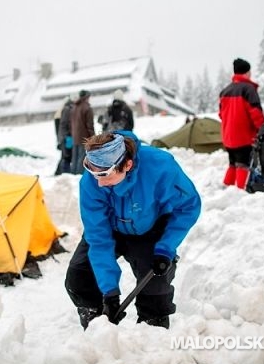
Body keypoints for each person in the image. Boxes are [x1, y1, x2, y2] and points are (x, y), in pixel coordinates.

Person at [64, 132, 201, 329]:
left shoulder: (161, 167)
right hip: (110, 228)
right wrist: (110, 291)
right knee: (79, 277)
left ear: (127, 165)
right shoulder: (91, 182)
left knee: (155, 292)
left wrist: (166, 248)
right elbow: (98, 238)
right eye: (93, 172)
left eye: (104, 175)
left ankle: (152, 335)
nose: (99, 183)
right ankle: (98, 330)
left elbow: (188, 206)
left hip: (149, 228)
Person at [218, 58, 264, 188]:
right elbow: (256, 113)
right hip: (244, 136)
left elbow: (221, 114)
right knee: (243, 164)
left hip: (228, 137)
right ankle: (240, 192)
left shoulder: (225, 91)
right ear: (246, 72)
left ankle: (226, 188)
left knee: (233, 164)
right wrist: (262, 129)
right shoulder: (248, 89)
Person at [70, 89, 95, 174]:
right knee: (82, 158)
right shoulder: (87, 108)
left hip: (75, 137)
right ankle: (79, 175)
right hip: (84, 137)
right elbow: (90, 126)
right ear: (87, 97)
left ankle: (73, 174)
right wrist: (93, 138)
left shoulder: (74, 107)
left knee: (75, 158)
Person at [54, 96, 74, 175]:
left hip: (63, 138)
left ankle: (59, 172)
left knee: (64, 155)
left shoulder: (60, 111)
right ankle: (62, 172)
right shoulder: (66, 111)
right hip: (66, 138)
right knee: (65, 156)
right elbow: (62, 128)